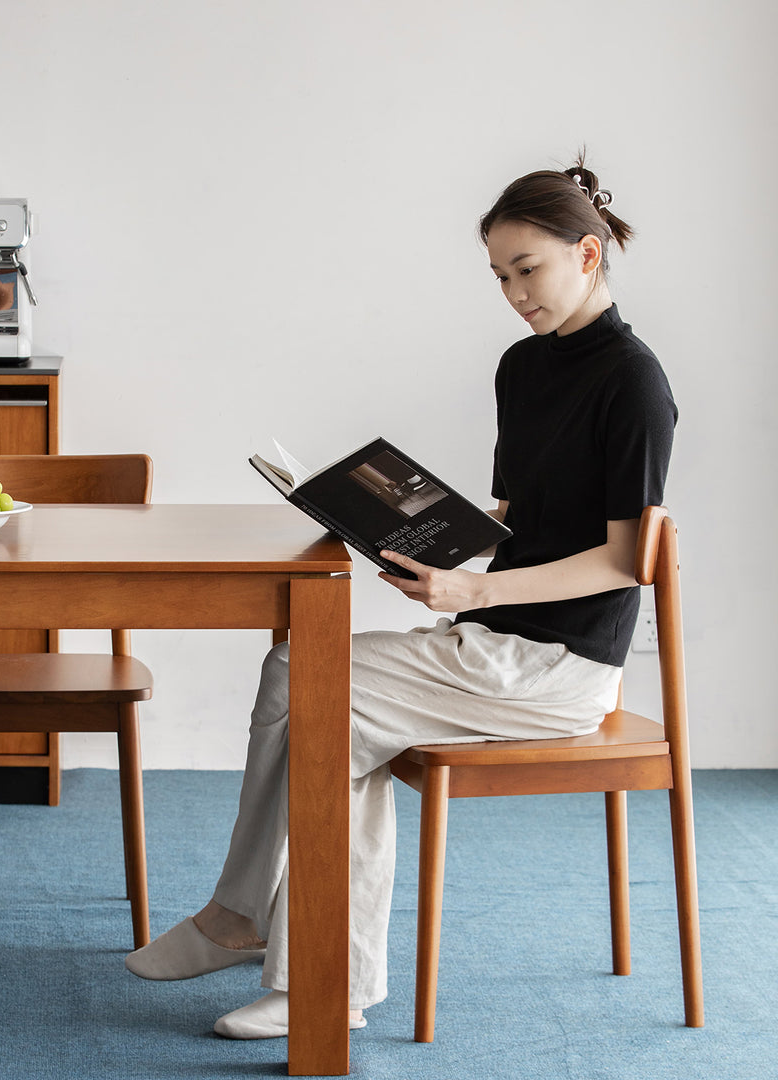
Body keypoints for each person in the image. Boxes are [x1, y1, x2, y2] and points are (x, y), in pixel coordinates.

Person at [124, 156, 678, 1039]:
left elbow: (621, 561)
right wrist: (419, 538)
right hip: (487, 640)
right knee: (300, 673)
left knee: (323, 696)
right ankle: (265, 936)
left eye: (527, 269)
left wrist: (473, 584)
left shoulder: (635, 382)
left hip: (559, 666)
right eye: (498, 277)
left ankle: (295, 963)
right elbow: (514, 518)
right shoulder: (522, 368)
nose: (513, 294)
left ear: (587, 253)